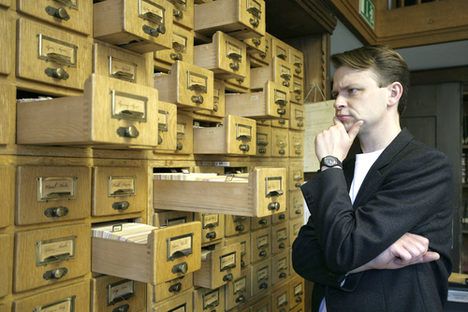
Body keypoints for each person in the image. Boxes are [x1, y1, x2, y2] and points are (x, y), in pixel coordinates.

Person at [292, 45, 454, 312]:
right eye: (336, 93)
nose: (337, 102)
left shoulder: (427, 166)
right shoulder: (345, 169)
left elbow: (344, 249)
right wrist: (372, 258)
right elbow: (302, 255)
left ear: (393, 93)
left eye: (352, 90)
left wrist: (329, 163)